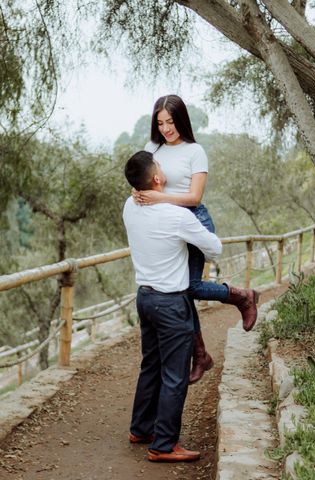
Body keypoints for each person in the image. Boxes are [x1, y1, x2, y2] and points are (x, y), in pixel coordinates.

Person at [132, 94, 259, 384]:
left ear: (182, 120)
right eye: (160, 122)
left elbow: (194, 197)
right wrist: (137, 193)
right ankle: (200, 354)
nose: (166, 128)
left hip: (192, 220)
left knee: (190, 286)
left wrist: (158, 197)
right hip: (166, 228)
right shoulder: (152, 148)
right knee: (179, 290)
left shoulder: (195, 151)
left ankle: (242, 296)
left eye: (171, 122)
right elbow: (142, 178)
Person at [123, 151, 222, 462]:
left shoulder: (129, 206)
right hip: (170, 303)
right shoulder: (177, 216)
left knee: (150, 365)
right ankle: (163, 445)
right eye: (160, 166)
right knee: (175, 374)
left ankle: (141, 428)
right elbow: (215, 249)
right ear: (156, 179)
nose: (163, 168)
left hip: (145, 298)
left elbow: (142, 199)